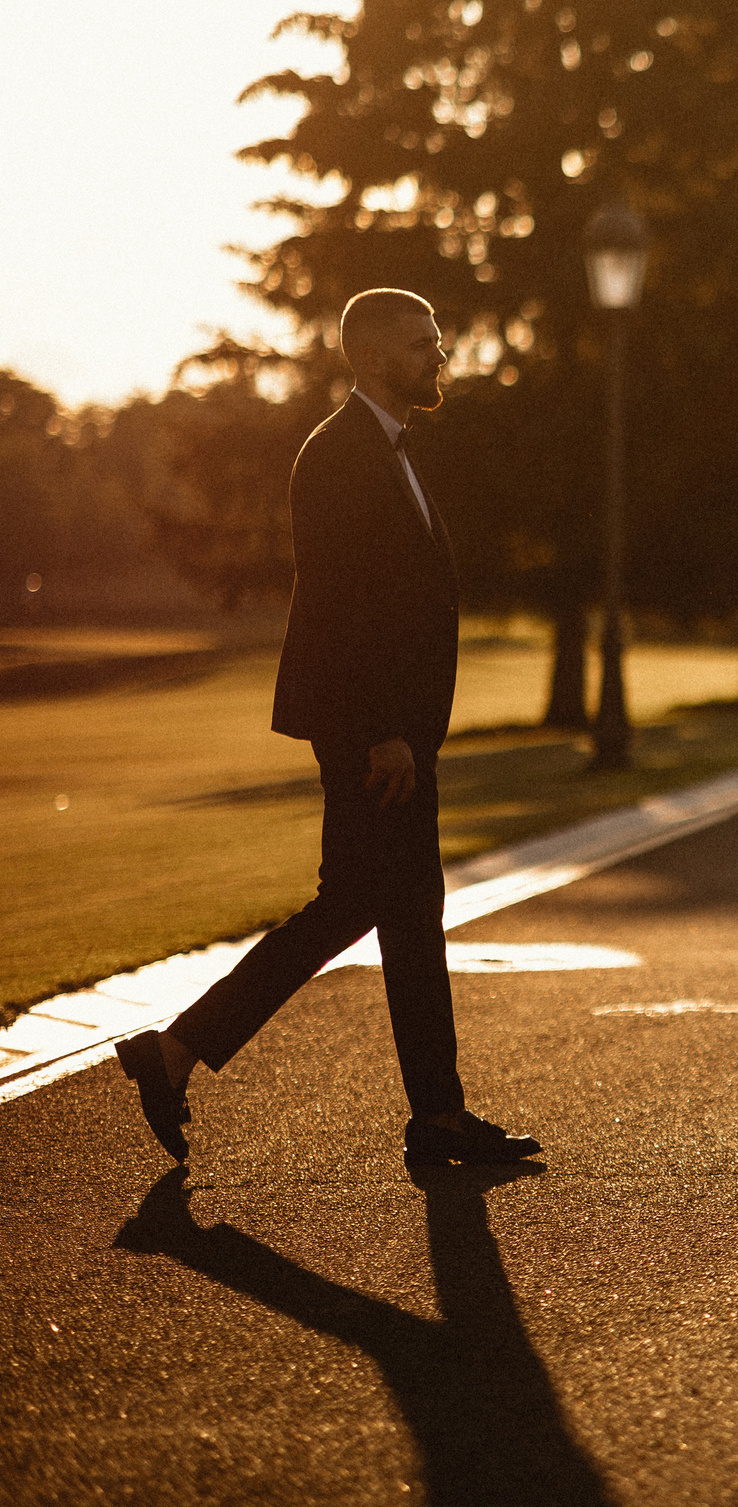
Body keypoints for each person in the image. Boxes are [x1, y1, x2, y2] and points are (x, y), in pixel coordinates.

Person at [114, 289, 541, 1169]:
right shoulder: (341, 455)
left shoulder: (391, 451)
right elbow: (346, 607)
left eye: (439, 339)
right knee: (368, 903)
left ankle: (435, 1117)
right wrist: (386, 731)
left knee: (399, 909)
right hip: (369, 730)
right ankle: (178, 1050)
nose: (440, 356)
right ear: (375, 357)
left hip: (399, 733)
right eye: (424, 344)